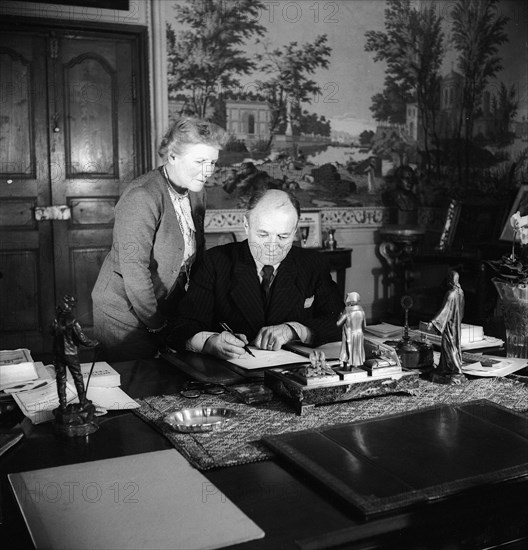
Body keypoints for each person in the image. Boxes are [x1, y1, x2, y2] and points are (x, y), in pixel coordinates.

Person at [92, 117, 227, 361]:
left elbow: (195, 254)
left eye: (213, 162)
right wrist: (159, 328)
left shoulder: (197, 193)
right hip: (125, 314)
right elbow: (135, 272)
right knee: (139, 387)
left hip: (162, 310)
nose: (208, 171)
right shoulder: (142, 197)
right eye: (200, 161)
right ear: (172, 156)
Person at [167, 188, 343, 359]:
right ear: (246, 225)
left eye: (283, 237)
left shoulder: (312, 263)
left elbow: (341, 322)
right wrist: (208, 342)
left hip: (293, 372)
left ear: (295, 231)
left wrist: (295, 329)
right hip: (230, 374)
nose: (272, 246)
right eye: (263, 234)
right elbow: (182, 326)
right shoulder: (216, 262)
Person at [52, 295, 99, 411]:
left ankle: (62, 405)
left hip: (58, 354)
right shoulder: (72, 320)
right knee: (77, 377)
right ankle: (83, 402)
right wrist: (94, 343)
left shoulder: (56, 318)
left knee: (61, 379)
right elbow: (82, 338)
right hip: (70, 354)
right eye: (71, 305)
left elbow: (51, 331)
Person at [427, 270, 465, 382]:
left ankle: (455, 369)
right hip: (456, 322)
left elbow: (445, 310)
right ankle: (446, 368)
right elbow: (461, 309)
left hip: (449, 324)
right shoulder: (460, 292)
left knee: (449, 346)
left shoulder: (451, 293)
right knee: (454, 345)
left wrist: (433, 322)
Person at [336, 291, 366, 369]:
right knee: (356, 352)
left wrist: (339, 316)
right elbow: (365, 326)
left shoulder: (347, 310)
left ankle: (346, 366)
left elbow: (338, 323)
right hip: (359, 334)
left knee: (347, 351)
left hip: (349, 334)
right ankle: (354, 366)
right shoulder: (361, 310)